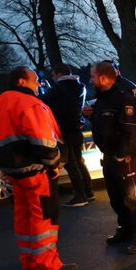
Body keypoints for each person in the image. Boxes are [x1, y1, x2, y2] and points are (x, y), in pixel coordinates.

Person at [0, 66, 78, 270]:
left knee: (24, 214)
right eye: (35, 80)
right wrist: (54, 164)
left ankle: (28, 259)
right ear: (21, 81)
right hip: (36, 172)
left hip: (13, 171)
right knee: (44, 216)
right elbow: (44, 143)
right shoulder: (30, 104)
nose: (38, 84)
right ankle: (47, 265)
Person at [86, 61, 136, 254]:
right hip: (108, 155)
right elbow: (107, 125)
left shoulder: (124, 98)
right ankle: (125, 229)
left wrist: (121, 155)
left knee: (133, 197)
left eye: (92, 76)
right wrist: (91, 116)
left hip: (124, 157)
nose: (90, 80)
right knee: (116, 197)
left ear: (103, 78)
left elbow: (131, 130)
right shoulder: (103, 99)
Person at [43, 63, 94, 207]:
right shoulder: (80, 86)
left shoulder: (60, 88)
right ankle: (89, 192)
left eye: (53, 75)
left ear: (59, 74)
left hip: (65, 130)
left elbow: (43, 100)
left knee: (71, 163)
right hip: (76, 129)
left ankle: (80, 196)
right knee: (79, 161)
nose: (53, 78)